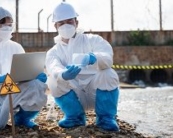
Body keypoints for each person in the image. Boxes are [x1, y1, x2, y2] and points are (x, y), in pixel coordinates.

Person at [45, 2, 120, 131]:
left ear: (76, 22)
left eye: (69, 21)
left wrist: (93, 57)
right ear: (55, 26)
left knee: (108, 73)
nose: (66, 25)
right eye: (61, 23)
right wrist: (63, 74)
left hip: (96, 93)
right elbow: (53, 67)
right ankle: (74, 117)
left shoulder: (93, 40)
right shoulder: (54, 51)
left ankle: (106, 118)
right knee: (53, 80)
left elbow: (108, 57)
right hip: (73, 95)